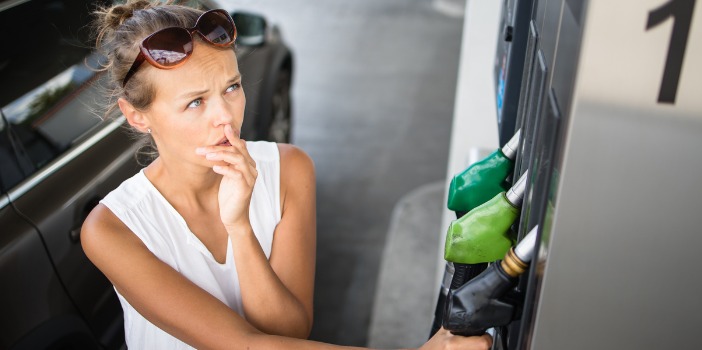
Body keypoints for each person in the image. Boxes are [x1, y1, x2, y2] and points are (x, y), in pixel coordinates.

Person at [81, 1, 493, 348]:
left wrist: (240, 227)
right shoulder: (113, 229)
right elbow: (244, 344)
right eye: (195, 103)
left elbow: (289, 332)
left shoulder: (289, 169)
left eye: (231, 87)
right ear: (137, 116)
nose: (226, 117)